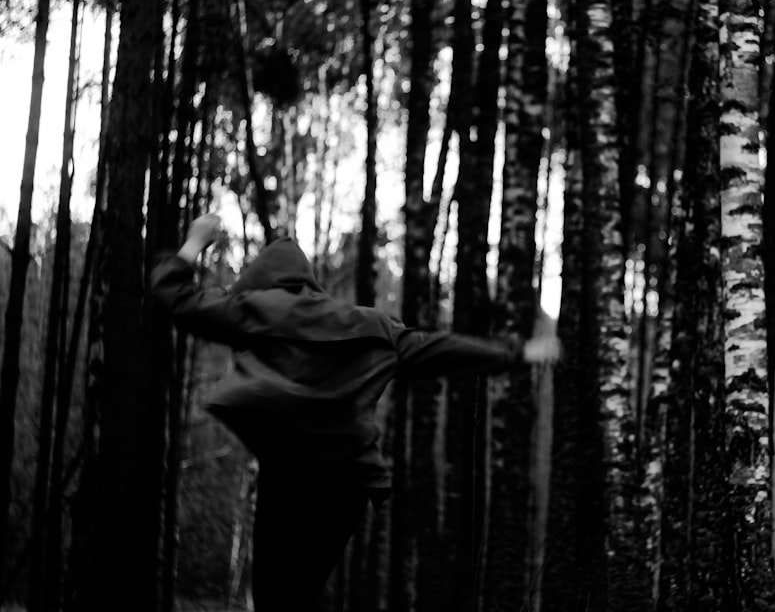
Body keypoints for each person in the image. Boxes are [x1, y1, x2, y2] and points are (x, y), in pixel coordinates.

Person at [150, 213, 560, 611]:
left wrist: (192, 244)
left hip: (291, 474)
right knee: (303, 591)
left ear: (260, 280)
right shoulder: (369, 325)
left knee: (278, 596)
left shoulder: (253, 309)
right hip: (347, 483)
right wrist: (518, 352)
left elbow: (176, 298)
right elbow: (439, 349)